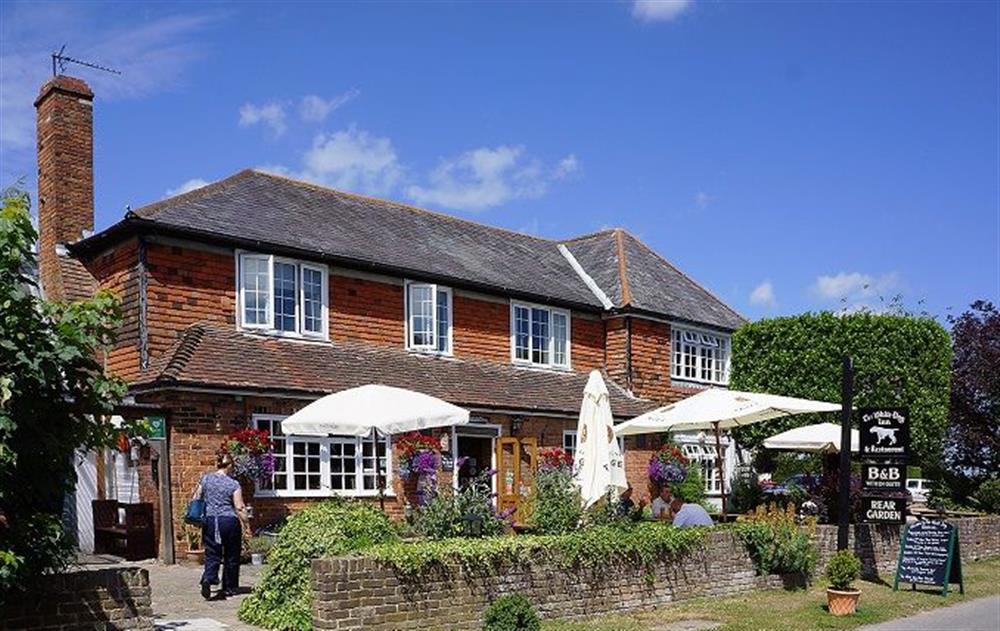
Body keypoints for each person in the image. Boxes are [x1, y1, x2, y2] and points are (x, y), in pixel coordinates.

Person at [191, 451, 248, 599]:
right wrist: (246, 523)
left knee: (212, 552)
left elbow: (197, 497)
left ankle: (208, 579)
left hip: (211, 521)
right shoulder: (233, 483)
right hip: (229, 522)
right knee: (231, 555)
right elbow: (239, 506)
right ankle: (229, 587)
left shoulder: (206, 479)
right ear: (229, 466)